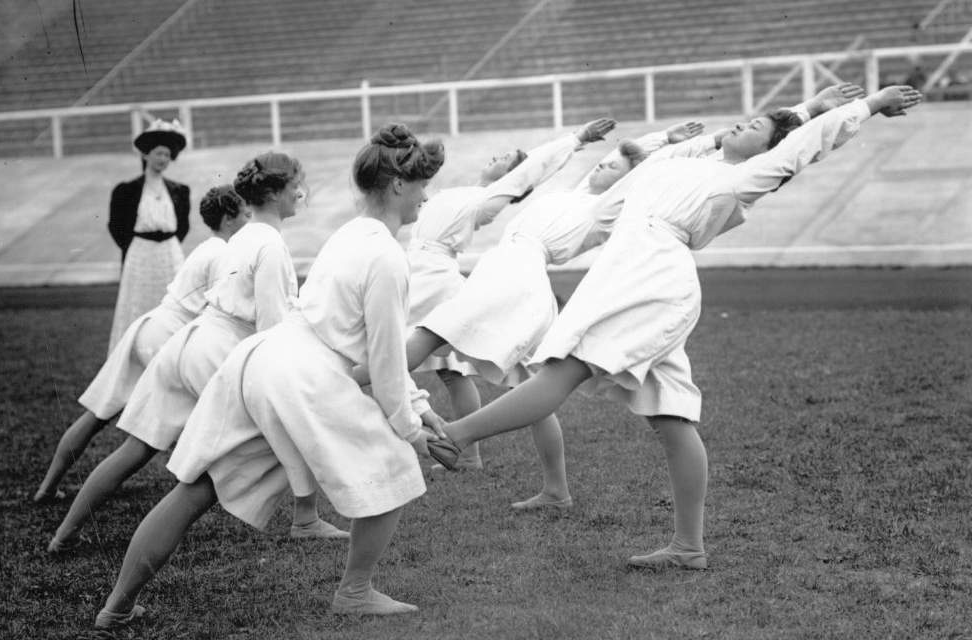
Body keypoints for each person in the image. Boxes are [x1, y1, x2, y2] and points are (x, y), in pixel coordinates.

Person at [427, 85, 924, 570]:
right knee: (671, 415)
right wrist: (810, 105)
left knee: (562, 370)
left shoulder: (744, 178)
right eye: (744, 119)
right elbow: (742, 136)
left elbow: (798, 145)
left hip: (650, 282)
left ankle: (455, 436)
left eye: (753, 128)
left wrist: (870, 105)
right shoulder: (693, 164)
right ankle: (689, 547)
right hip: (633, 275)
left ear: (765, 151)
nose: (739, 124)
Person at [93, 123, 445, 631]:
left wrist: (422, 404)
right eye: (421, 186)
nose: (425, 197)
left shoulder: (349, 234)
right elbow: (386, 360)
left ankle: (116, 606)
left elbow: (376, 347)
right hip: (300, 373)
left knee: (197, 488)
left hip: (259, 359)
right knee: (393, 464)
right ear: (396, 186)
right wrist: (413, 430)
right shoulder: (388, 255)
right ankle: (355, 592)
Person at [354, 119, 705, 511]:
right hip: (507, 276)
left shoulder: (604, 209)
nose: (604, 165)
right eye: (604, 162)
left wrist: (665, 145)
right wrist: (645, 140)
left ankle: (346, 385)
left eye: (616, 168)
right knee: (531, 386)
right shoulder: (576, 194)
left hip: (516, 281)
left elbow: (541, 172)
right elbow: (605, 164)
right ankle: (556, 490)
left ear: (628, 182)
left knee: (427, 341)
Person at [49, 151, 347, 552]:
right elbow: (272, 334)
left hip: (186, 342)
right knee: (291, 419)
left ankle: (63, 535)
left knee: (134, 450)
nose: (302, 193)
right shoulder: (270, 246)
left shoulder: (241, 237)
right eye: (296, 186)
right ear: (275, 194)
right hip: (217, 351)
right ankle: (306, 519)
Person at [407, 117, 617, 469]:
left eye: (506, 158)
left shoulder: (484, 202)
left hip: (434, 285)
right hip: (421, 277)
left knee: (513, 382)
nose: (497, 157)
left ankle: (472, 452)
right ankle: (468, 453)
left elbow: (530, 171)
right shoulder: (463, 195)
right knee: (458, 373)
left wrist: (575, 139)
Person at [33, 185, 249, 504]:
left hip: (147, 327)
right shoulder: (223, 252)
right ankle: (207, 483)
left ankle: (47, 488)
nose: (249, 219)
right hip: (166, 334)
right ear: (229, 218)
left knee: (98, 415)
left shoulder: (207, 246)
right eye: (245, 214)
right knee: (158, 432)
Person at [107, 119, 192, 352]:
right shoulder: (127, 190)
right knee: (138, 306)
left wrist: (166, 242)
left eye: (166, 154)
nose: (162, 159)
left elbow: (183, 225)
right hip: (140, 254)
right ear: (145, 155)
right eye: (158, 153)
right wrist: (139, 244)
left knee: (173, 304)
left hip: (169, 253)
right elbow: (116, 226)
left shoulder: (179, 191)